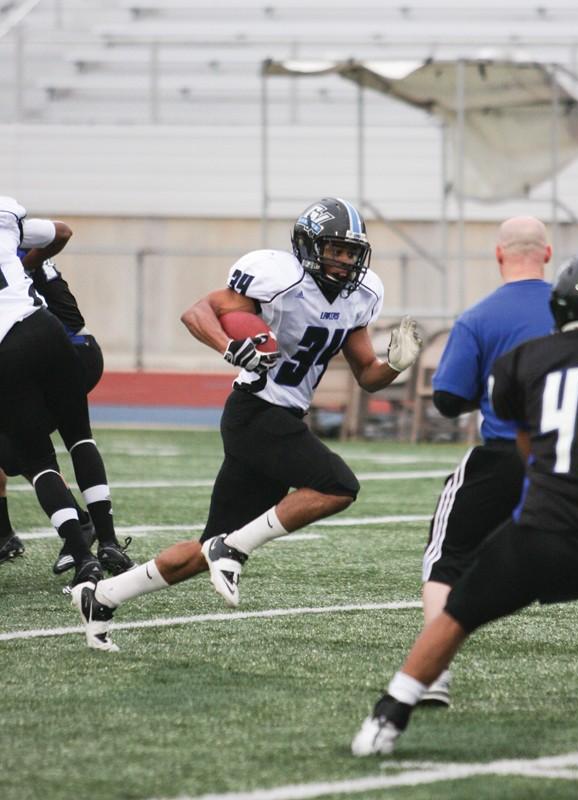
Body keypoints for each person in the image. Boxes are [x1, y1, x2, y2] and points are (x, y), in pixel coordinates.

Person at [71, 196, 422, 651]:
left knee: (202, 550)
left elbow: (369, 376)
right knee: (339, 486)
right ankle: (233, 550)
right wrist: (228, 346)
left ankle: (101, 596)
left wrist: (396, 363)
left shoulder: (361, 295)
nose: (345, 260)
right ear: (309, 246)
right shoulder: (279, 279)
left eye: (352, 252)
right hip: (256, 411)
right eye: (335, 249)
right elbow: (198, 312)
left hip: (282, 416)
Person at [351, 249, 578, 756]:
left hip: (542, 529)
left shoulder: (525, 360)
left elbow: (527, 442)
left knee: (457, 612)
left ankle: (389, 715)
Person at [418, 216, 554, 706]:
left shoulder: (478, 317)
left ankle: (432, 675)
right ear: (548, 253)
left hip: (505, 457)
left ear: (499, 256)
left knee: (446, 559)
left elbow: (449, 399)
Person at [0, 196, 131, 590]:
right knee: (80, 438)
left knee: (37, 460)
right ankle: (108, 542)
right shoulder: (5, 214)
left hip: (6, 353)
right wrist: (26, 264)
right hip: (44, 328)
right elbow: (62, 231)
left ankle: (83, 556)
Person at [0, 250, 106, 574]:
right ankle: (104, 539)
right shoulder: (15, 241)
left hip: (56, 353)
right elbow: (59, 233)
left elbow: (60, 232)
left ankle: (85, 533)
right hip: (62, 348)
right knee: (18, 452)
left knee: (22, 453)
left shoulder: (16, 246)